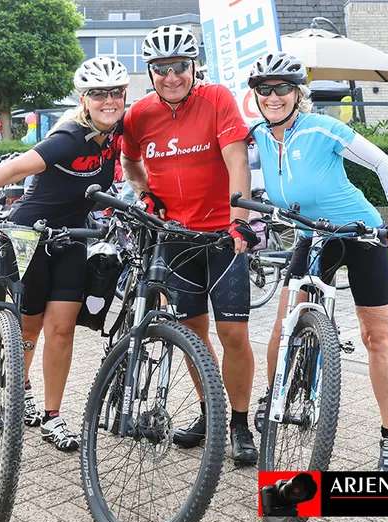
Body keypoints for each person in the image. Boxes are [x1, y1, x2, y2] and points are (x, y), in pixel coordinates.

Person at [0, 57, 129, 452]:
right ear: (84, 100)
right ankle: (22, 393)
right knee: (29, 328)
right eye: (98, 94)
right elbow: (14, 169)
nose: (108, 100)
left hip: (72, 237)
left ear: (124, 95)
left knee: (62, 329)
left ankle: (53, 416)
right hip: (27, 236)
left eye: (115, 92)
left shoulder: (119, 135)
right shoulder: (69, 138)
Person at [247, 52, 388, 471]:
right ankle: (275, 396)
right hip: (312, 236)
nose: (273, 96)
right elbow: (238, 175)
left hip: (360, 235)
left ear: (297, 93)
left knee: (376, 335)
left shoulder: (322, 128)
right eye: (264, 88)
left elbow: (382, 162)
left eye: (282, 88)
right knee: (284, 323)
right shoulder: (258, 136)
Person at [120, 24, 261, 466]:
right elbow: (128, 158)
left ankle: (239, 424)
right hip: (176, 240)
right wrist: (145, 193)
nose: (171, 77)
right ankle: (210, 413)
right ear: (150, 72)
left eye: (179, 66)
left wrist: (239, 221)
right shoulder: (139, 115)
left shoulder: (216, 98)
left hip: (222, 236)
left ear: (194, 66)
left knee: (233, 333)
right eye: (161, 69)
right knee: (192, 335)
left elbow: (237, 160)